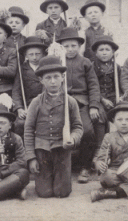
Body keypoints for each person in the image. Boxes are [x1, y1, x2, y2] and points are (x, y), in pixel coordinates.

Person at [24, 56, 83, 198]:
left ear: (63, 78)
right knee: (44, 193)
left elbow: (78, 127)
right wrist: (31, 157)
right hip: (42, 151)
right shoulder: (36, 102)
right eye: (48, 78)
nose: (53, 81)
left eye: (56, 77)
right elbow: (28, 130)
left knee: (62, 192)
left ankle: (62, 179)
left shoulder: (70, 102)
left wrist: (73, 139)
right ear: (41, 80)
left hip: (62, 150)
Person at [56, 27, 101, 183]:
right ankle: (60, 167)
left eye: (73, 46)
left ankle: (85, 167)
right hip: (60, 102)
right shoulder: (57, 61)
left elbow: (94, 85)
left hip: (81, 103)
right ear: (61, 47)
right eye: (66, 46)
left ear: (79, 46)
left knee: (87, 131)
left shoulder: (85, 62)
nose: (69, 49)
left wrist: (94, 105)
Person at [12, 36, 47, 138]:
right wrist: (19, 108)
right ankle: (24, 151)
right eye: (31, 54)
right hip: (27, 106)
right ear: (26, 55)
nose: (35, 57)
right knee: (19, 124)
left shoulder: (46, 67)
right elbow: (16, 91)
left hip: (45, 104)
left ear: (43, 54)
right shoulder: (21, 69)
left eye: (38, 54)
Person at [91, 35, 120, 159]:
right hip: (99, 98)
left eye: (107, 50)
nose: (104, 53)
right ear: (96, 53)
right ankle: (100, 148)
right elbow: (92, 87)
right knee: (100, 115)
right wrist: (102, 100)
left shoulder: (117, 67)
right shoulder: (92, 67)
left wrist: (121, 98)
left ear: (113, 52)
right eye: (101, 50)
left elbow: (120, 85)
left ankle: (119, 148)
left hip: (114, 97)